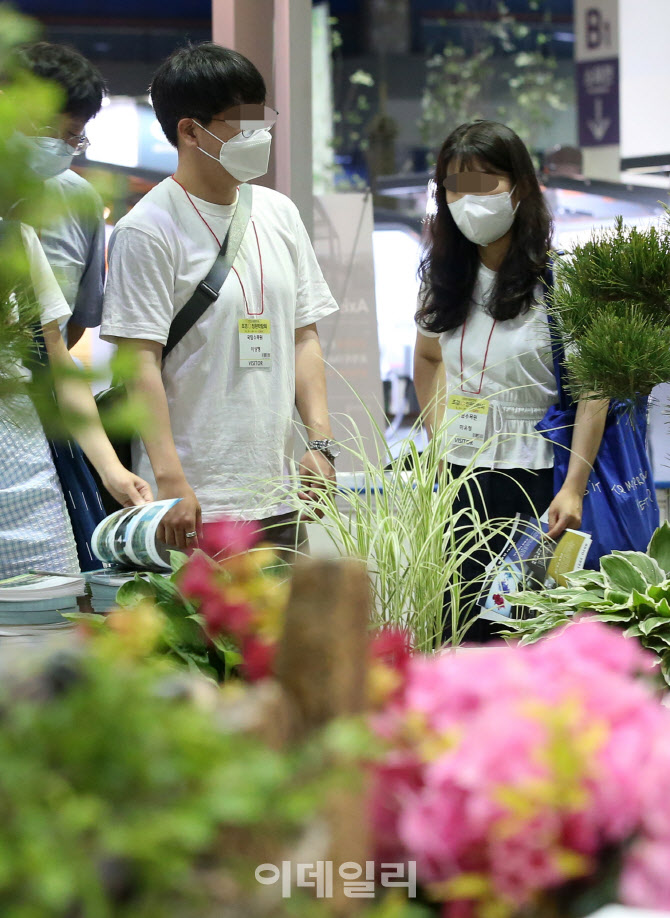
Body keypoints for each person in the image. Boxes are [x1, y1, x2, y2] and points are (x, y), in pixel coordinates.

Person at [101, 42, 339, 553]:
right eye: (242, 121)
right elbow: (138, 362)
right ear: (190, 130)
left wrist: (319, 444)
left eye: (262, 117)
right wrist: (170, 483)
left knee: (279, 633)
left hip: (277, 495)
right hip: (193, 501)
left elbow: (304, 336)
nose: (259, 134)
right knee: (195, 634)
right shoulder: (146, 230)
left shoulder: (280, 213)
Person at [413, 120, 608, 641]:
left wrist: (573, 488)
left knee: (524, 629)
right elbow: (429, 359)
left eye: (484, 183)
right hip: (459, 478)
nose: (467, 199)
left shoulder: (561, 279)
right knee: (456, 626)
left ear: (519, 187)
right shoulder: (442, 278)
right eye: (454, 186)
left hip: (538, 481)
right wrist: (438, 436)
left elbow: (594, 389)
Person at [0, 221, 153, 577]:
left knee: (54, 618)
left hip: (25, 473)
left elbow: (58, 363)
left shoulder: (15, 237)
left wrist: (110, 468)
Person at [13, 42, 106, 349]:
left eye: (71, 134)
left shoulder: (80, 201)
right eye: (46, 126)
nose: (56, 143)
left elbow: (78, 320)